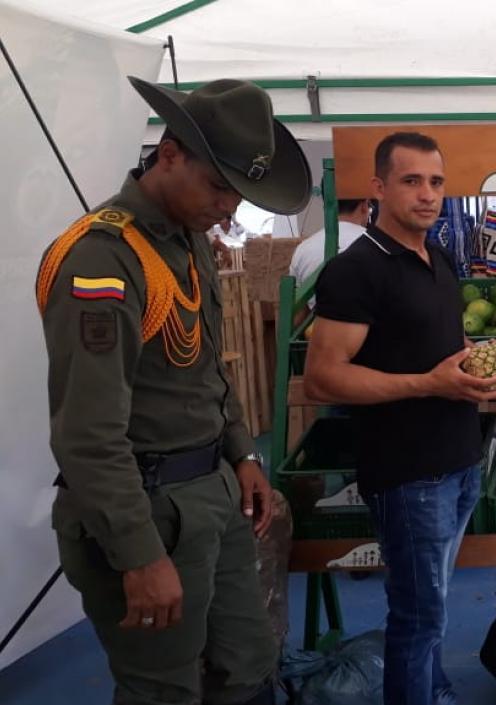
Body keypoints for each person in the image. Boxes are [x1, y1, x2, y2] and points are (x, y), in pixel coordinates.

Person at [35, 77, 311, 704]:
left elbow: (206, 368)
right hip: (146, 509)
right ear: (168, 153)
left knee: (246, 665)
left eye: (238, 193)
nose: (229, 208)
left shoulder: (186, 242)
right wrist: (138, 556)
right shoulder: (103, 260)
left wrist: (241, 452)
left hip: (210, 492)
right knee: (165, 689)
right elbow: (87, 435)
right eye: (220, 186)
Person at [303, 132, 496, 705]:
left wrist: (480, 359)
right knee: (417, 620)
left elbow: (440, 342)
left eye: (436, 182)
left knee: (433, 612)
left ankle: (433, 693)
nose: (427, 194)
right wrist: (427, 383)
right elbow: (323, 377)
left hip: (460, 461)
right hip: (410, 475)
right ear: (378, 187)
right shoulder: (355, 270)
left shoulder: (436, 258)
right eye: (411, 181)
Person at [287, 198, 370, 321]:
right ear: (364, 206)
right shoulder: (377, 244)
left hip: (319, 331)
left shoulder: (303, 249)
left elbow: (297, 314)